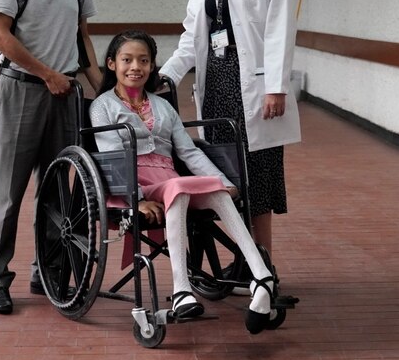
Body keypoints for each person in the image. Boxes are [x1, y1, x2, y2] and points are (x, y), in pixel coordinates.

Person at [90, 30, 281, 334]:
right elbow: (112, 156)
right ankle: (182, 290)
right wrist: (136, 198)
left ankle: (261, 275)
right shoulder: (102, 106)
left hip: (169, 178)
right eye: (127, 60)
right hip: (134, 182)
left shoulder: (162, 106)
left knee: (214, 191)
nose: (135, 67)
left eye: (143, 60)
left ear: (152, 66)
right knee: (179, 189)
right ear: (112, 64)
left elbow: (189, 151)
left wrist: (221, 180)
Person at [159, 0, 301, 269]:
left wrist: (276, 86)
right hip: (217, 80)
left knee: (258, 175)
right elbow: (194, 34)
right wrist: (166, 74)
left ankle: (263, 262)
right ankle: (243, 257)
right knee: (224, 174)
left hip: (255, 83)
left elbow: (280, 27)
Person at [0, 0, 102, 315]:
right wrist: (46, 73)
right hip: (22, 94)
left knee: (57, 191)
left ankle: (46, 269)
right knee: (8, 194)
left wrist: (103, 87)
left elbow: (81, 35)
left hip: (66, 95)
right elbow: (1, 37)